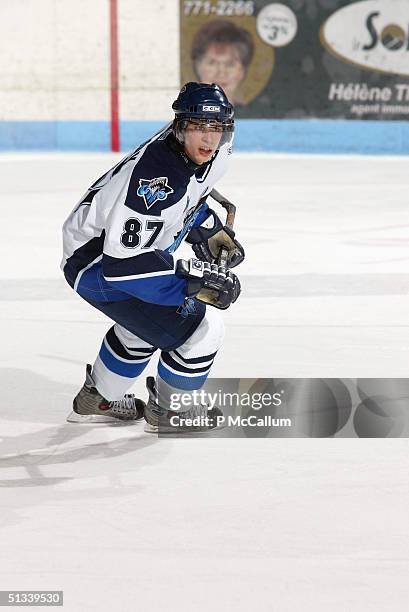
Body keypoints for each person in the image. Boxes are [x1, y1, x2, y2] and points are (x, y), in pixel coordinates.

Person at [61, 82, 245, 434]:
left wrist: (205, 226)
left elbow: (194, 190)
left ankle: (97, 399)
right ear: (180, 126)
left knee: (144, 327)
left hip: (108, 248)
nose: (208, 139)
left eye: (216, 128)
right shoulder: (156, 181)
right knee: (202, 332)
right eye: (198, 128)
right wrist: (189, 284)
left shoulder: (211, 150)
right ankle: (170, 412)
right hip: (96, 264)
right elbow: (121, 266)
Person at [191, 20, 254, 106]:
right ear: (198, 67)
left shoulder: (257, 117)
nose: (221, 73)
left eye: (230, 64)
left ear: (243, 71)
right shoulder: (181, 115)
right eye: (212, 63)